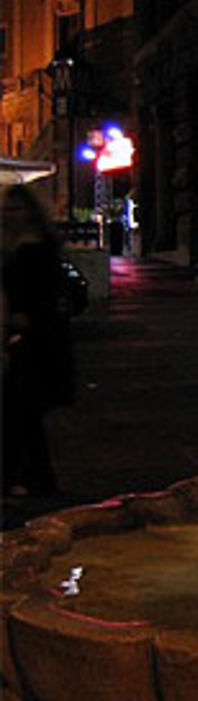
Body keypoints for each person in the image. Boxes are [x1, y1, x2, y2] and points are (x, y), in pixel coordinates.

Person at [2, 184, 75, 497]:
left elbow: (47, 295)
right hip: (23, 337)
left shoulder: (38, 248)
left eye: (16, 208)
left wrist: (24, 318)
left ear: (30, 212)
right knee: (23, 412)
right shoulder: (11, 245)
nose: (10, 213)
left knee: (20, 409)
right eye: (7, 208)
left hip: (37, 340)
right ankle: (35, 479)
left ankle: (24, 480)